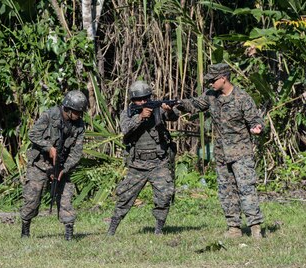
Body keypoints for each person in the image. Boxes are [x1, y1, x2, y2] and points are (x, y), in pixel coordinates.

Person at [174, 63, 265, 239]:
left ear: (224, 78)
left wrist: (258, 128)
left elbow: (255, 120)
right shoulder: (211, 96)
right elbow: (194, 104)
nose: (210, 84)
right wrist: (176, 104)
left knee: (247, 189)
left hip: (240, 153)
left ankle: (255, 228)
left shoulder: (242, 98)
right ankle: (234, 228)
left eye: (213, 80)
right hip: (222, 154)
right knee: (226, 191)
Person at [107, 80, 179, 235]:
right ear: (132, 100)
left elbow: (173, 117)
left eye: (146, 98)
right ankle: (112, 228)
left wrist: (169, 110)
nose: (143, 102)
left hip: (159, 162)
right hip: (137, 164)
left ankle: (159, 228)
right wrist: (140, 117)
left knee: (164, 195)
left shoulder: (157, 109)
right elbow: (125, 129)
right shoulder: (127, 113)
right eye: (139, 99)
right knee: (125, 196)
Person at [20, 90, 88, 241]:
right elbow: (33, 134)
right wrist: (48, 147)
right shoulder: (50, 115)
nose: (80, 115)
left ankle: (69, 234)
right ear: (68, 109)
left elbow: (77, 152)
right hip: (40, 165)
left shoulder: (79, 126)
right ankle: (25, 229)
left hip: (62, 166)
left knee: (66, 199)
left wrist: (65, 169)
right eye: (77, 112)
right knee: (32, 199)